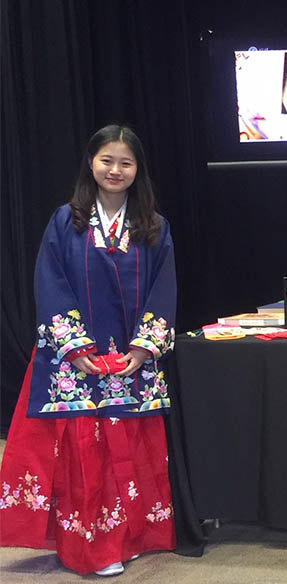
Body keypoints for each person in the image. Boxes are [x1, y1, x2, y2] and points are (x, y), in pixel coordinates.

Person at [0, 125, 177, 576]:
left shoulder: (154, 226)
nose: (115, 170)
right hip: (77, 361)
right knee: (84, 452)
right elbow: (51, 283)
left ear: (138, 170)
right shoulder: (65, 221)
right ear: (91, 163)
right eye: (107, 160)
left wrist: (144, 347)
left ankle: (129, 537)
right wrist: (74, 346)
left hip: (132, 359)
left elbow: (163, 290)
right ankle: (92, 547)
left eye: (126, 162)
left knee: (132, 451)